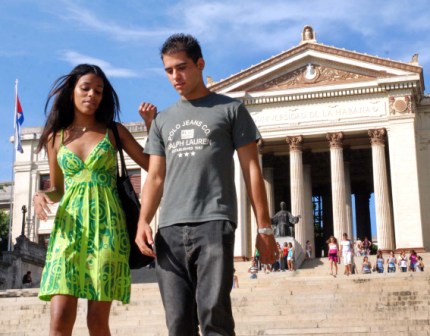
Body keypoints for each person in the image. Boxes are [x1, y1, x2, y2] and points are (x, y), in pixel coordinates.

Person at [135, 34, 278, 336]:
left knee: (215, 316)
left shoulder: (231, 110)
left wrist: (264, 228)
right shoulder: (163, 121)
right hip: (170, 230)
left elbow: (252, 168)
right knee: (177, 323)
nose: (176, 77)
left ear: (200, 64)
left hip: (213, 223)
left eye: (182, 67)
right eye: (169, 70)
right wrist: (142, 221)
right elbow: (156, 177)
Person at [33, 64, 156, 335]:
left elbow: (152, 166)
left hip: (108, 230)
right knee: (59, 322)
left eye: (98, 91)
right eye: (85, 88)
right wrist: (41, 194)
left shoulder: (114, 132)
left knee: (97, 324)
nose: (92, 95)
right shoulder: (57, 136)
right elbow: (58, 188)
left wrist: (151, 127)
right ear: (72, 92)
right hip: (69, 229)